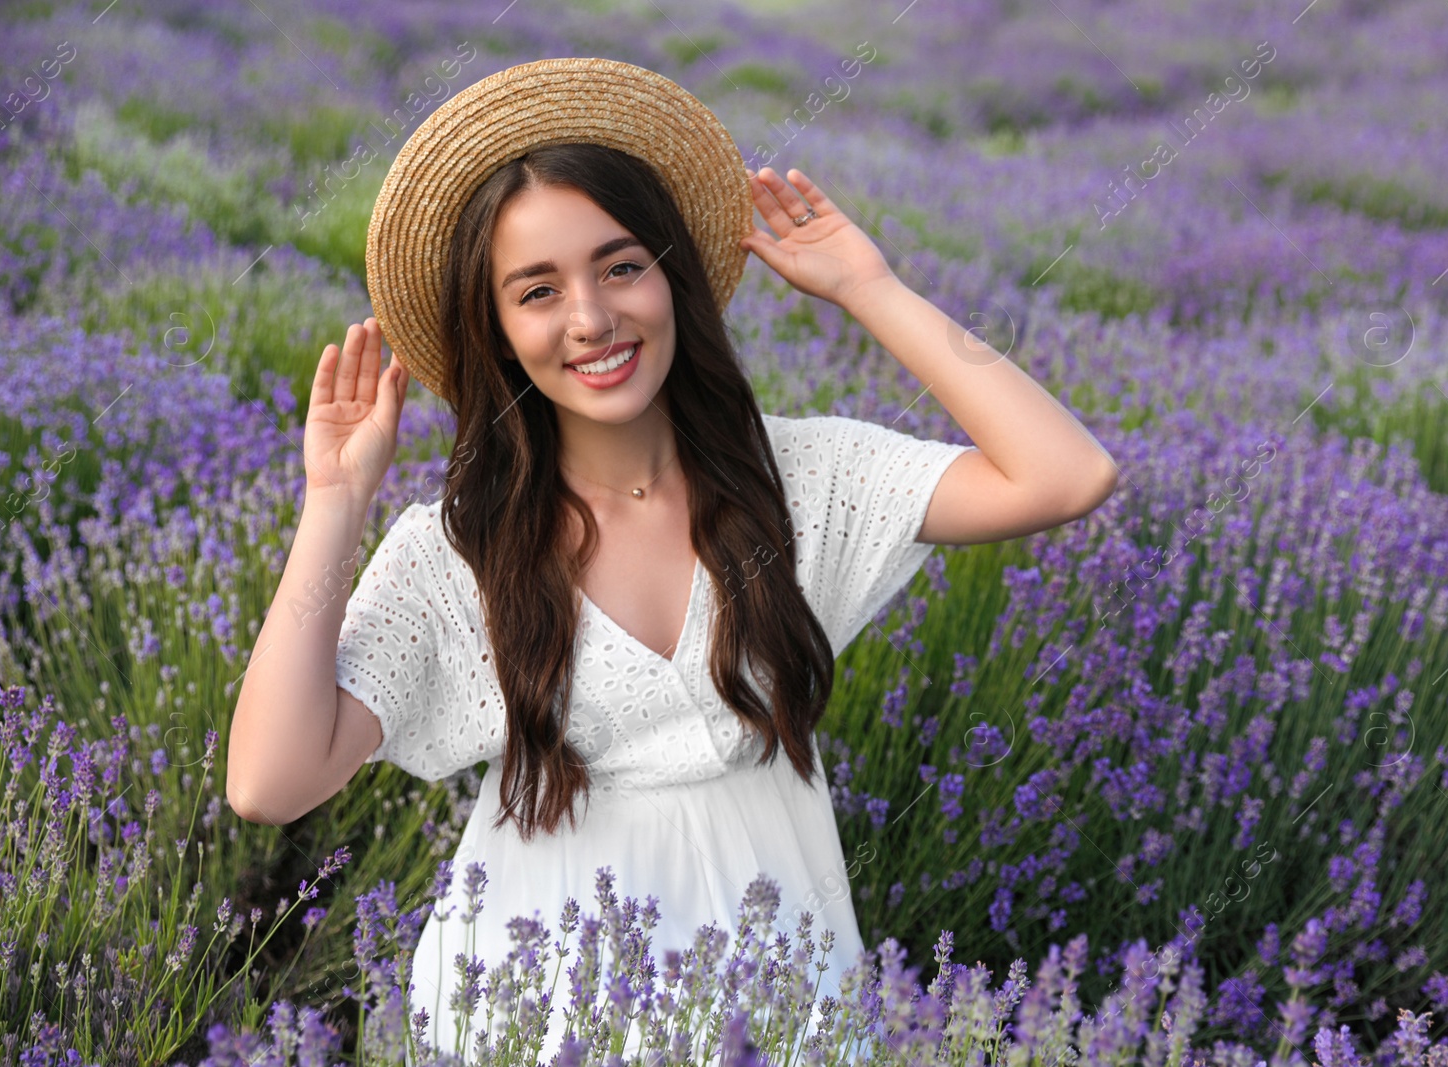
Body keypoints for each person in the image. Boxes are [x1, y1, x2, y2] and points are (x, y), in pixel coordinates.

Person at [225, 57, 1119, 1065]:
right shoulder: (459, 551)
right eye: (536, 290)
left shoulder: (795, 479)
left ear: (672, 274)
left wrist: (871, 290)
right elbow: (270, 780)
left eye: (619, 266)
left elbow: (1065, 472)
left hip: (786, 1001)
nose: (592, 318)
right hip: (540, 1014)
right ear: (498, 331)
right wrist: (335, 504)